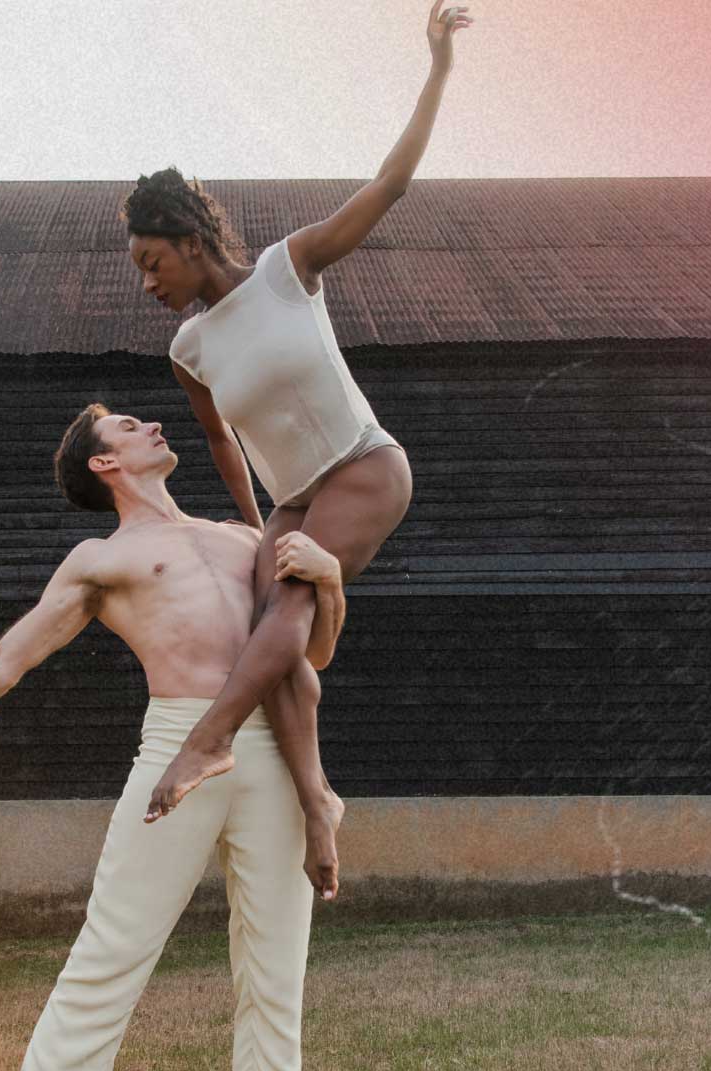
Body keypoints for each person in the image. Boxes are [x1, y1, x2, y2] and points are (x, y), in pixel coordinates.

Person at [0, 404, 346, 1071]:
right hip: (177, 746)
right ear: (105, 464)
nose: (152, 426)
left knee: (277, 978)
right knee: (109, 957)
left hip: (275, 750)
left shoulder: (244, 537)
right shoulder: (101, 560)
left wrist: (329, 578)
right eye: (129, 427)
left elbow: (314, 653)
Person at [125, 3, 474, 898]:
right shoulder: (188, 350)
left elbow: (389, 186)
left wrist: (436, 69)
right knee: (267, 627)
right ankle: (320, 802)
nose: (148, 281)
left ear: (194, 242)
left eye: (154, 260)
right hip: (293, 503)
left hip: (363, 466)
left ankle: (210, 740)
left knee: (282, 612)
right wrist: (258, 526)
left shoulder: (290, 270)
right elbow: (220, 441)